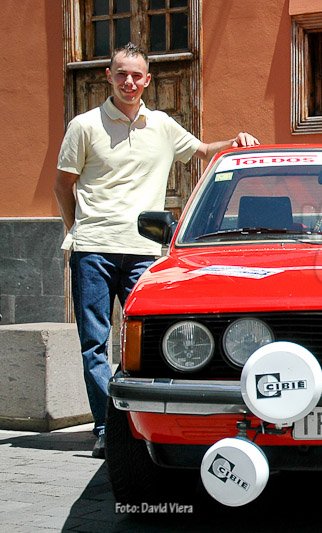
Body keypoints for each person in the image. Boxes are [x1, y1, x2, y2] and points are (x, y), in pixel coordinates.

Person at [53, 42, 259, 458]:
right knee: (95, 343)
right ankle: (106, 427)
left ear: (147, 80)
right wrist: (77, 229)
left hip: (145, 252)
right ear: (108, 77)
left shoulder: (162, 125)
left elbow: (202, 151)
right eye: (121, 74)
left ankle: (140, 421)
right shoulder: (84, 125)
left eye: (136, 75)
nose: (128, 81)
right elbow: (63, 184)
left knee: (150, 342)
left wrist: (235, 142)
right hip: (93, 249)